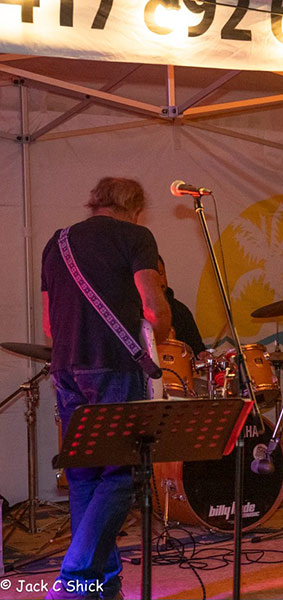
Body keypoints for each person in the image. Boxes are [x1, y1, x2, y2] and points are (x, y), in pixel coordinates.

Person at [41, 177, 171, 600]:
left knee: (84, 475)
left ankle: (102, 582)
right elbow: (153, 306)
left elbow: (48, 325)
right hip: (113, 365)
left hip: (66, 369)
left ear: (95, 202)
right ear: (134, 207)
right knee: (125, 472)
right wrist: (161, 329)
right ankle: (76, 578)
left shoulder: (55, 243)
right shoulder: (135, 236)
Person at [156, 255, 208, 358]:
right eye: (152, 276)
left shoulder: (180, 311)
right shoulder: (132, 316)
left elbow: (198, 350)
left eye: (161, 274)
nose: (160, 281)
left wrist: (202, 356)